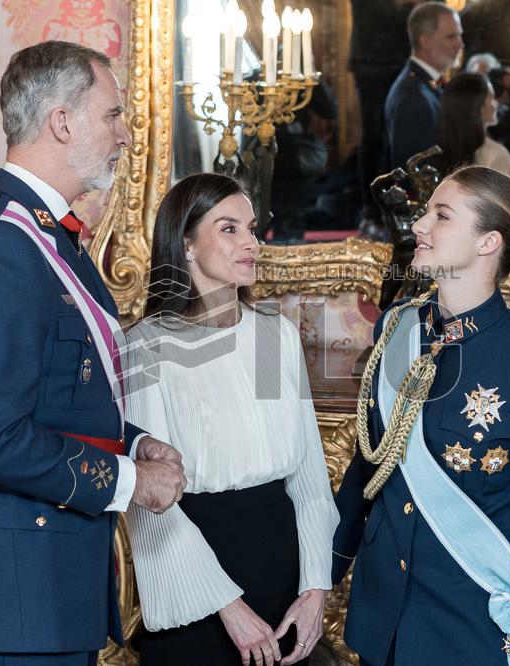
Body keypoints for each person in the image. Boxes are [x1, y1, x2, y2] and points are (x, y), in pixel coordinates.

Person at [0, 41, 187, 665]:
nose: (125, 135)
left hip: (45, 580)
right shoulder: (0, 247)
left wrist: (130, 441)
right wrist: (130, 480)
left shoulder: (48, 237)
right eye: (113, 115)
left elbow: (58, 397)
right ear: (63, 123)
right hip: (13, 591)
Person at [332, 166, 510, 665]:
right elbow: (370, 466)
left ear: (488, 242)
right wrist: (326, 573)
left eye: (441, 215)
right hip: (384, 615)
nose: (419, 225)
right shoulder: (397, 329)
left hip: (468, 625)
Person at [123, 173, 340, 666]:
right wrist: (226, 606)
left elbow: (306, 477)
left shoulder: (272, 338)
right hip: (198, 585)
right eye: (229, 229)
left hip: (284, 574)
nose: (251, 243)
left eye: (252, 228)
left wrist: (315, 589)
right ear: (187, 245)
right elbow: (152, 502)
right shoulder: (148, 348)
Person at [349, 0, 423, 233]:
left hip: (402, 58)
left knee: (399, 137)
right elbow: (376, 10)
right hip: (373, 60)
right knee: (373, 138)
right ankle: (371, 211)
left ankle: (399, 207)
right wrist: (414, 7)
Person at [384, 2, 464, 171]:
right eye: (451, 37)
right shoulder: (412, 97)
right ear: (425, 41)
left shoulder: (426, 83)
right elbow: (414, 175)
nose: (460, 44)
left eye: (459, 36)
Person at [434, 72, 510, 178]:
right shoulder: (496, 154)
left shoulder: (439, 149)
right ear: (479, 107)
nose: (497, 104)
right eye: (493, 98)